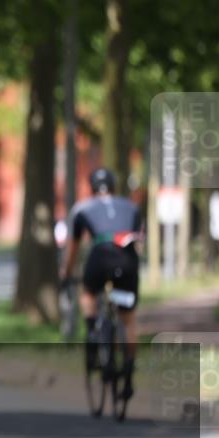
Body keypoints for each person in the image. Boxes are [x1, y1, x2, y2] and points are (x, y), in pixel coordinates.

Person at [60, 167, 142, 400]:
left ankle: (93, 329)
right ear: (115, 187)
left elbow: (73, 248)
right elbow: (137, 240)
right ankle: (129, 367)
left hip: (100, 255)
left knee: (87, 292)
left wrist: (66, 273)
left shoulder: (82, 208)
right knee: (128, 319)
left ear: (92, 188)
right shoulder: (132, 207)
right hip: (126, 259)